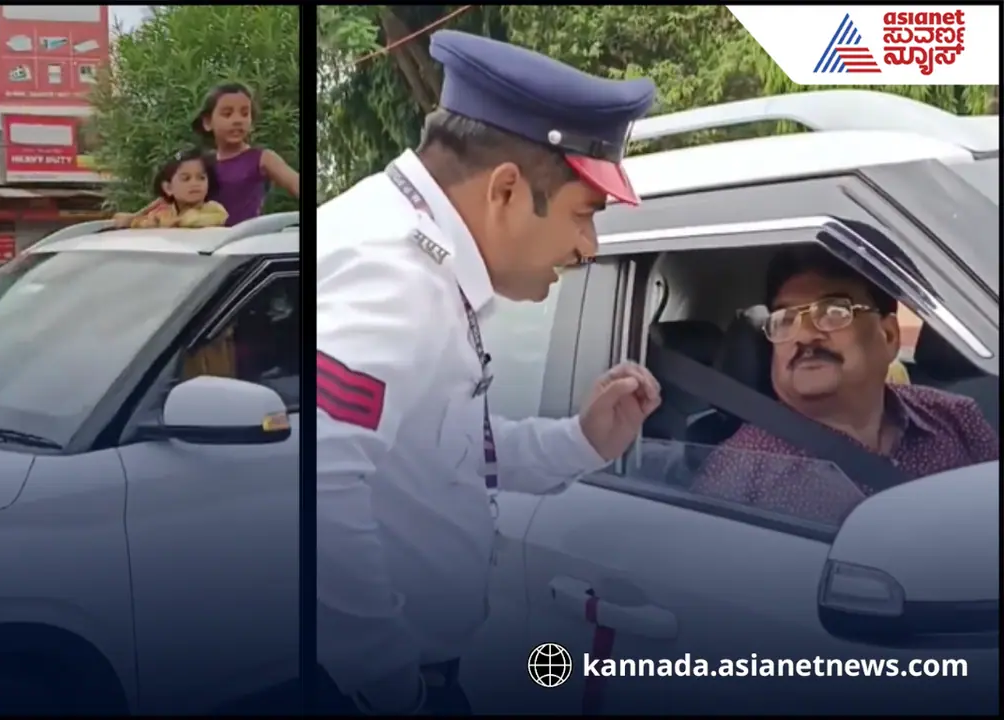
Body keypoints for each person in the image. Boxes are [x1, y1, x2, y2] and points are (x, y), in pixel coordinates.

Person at [317, 30, 661, 715]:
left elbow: (433, 452)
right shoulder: (394, 275)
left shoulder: (424, 259)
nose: (588, 248)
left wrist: (581, 440)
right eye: (584, 214)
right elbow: (317, 480)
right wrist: (386, 683)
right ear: (506, 190)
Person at [693, 245, 999, 524]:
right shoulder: (742, 467)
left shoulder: (957, 416)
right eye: (786, 319)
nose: (805, 335)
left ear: (889, 336)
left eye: (834, 312)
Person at [192, 82, 300, 225]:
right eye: (227, 114)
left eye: (244, 113)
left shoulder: (263, 158)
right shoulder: (201, 164)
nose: (238, 121)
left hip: (247, 242)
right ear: (207, 122)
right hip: (209, 242)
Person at [111, 148, 229, 229]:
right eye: (186, 178)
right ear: (168, 188)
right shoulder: (163, 214)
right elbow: (143, 224)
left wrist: (177, 222)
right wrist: (136, 221)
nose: (195, 183)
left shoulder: (214, 210)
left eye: (201, 178)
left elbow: (199, 220)